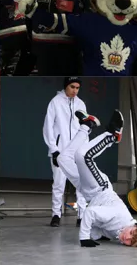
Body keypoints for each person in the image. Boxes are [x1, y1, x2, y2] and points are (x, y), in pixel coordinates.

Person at [66, 109, 137, 248]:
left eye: (130, 242)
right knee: (83, 156)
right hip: (99, 187)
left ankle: (86, 126)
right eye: (132, 233)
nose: (126, 237)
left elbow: (98, 228)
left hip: (89, 193)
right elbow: (90, 213)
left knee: (62, 159)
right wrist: (84, 238)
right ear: (134, 225)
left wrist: (96, 234)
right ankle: (112, 136)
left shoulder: (118, 233)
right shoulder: (120, 217)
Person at [43, 77, 88, 227]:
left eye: (77, 88)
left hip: (76, 151)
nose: (75, 90)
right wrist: (54, 149)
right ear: (66, 86)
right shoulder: (55, 102)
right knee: (58, 183)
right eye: (72, 87)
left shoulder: (81, 104)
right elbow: (48, 126)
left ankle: (81, 216)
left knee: (81, 184)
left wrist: (83, 150)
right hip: (60, 150)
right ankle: (56, 215)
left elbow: (84, 128)